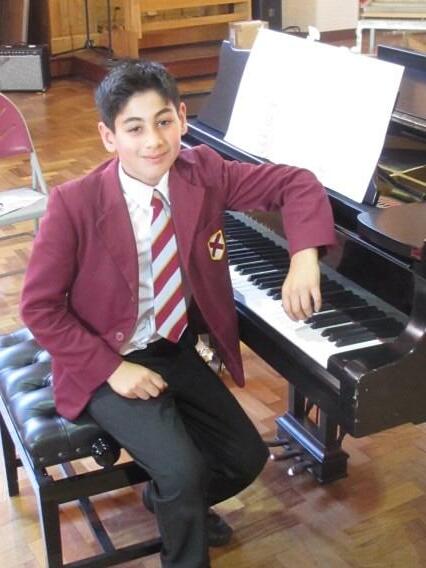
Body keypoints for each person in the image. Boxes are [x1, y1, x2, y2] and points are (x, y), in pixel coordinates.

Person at [20, 60, 335, 568]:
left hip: (171, 347)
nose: (153, 141)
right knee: (182, 472)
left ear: (182, 118)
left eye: (163, 122)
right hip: (104, 359)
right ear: (108, 137)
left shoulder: (202, 171)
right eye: (134, 128)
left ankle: (169, 503)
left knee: (246, 456)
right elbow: (38, 307)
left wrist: (304, 256)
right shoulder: (73, 204)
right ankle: (182, 527)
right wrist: (112, 369)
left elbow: (296, 183)